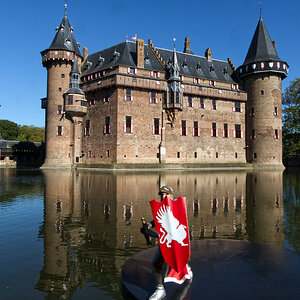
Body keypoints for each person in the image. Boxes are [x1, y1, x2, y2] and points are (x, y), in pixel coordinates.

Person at [141, 185, 192, 300]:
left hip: (175, 241)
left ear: (171, 195)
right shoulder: (162, 209)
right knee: (156, 263)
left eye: (166, 194)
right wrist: (148, 226)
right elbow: (157, 221)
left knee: (179, 259)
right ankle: (160, 289)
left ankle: (185, 267)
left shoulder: (176, 208)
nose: (163, 196)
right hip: (165, 244)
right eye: (162, 195)